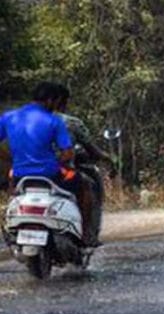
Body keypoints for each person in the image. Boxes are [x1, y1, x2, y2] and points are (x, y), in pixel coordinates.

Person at [0, 82, 100, 245]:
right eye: (58, 102)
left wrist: (11, 159)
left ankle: (11, 227)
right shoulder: (54, 120)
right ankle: (86, 234)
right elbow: (68, 153)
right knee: (85, 187)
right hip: (51, 175)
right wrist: (53, 161)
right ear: (52, 100)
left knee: (13, 195)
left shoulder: (9, 117)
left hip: (20, 176)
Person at [54, 85, 111, 241]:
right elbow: (91, 149)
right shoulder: (71, 123)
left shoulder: (25, 121)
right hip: (58, 173)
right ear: (61, 102)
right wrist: (105, 156)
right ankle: (86, 233)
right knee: (86, 188)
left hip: (24, 171)